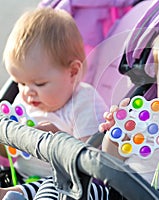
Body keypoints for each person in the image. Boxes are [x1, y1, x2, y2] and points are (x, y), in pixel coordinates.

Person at [21, 15, 159, 200]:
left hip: (156, 196)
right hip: (115, 191)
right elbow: (113, 160)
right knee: (61, 184)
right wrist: (117, 136)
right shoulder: (151, 113)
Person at [0, 7, 107, 199]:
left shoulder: (84, 102)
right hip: (21, 177)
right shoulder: (25, 100)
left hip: (68, 185)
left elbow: (90, 160)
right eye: (21, 83)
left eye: (39, 83)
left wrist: (58, 139)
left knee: (52, 186)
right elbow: (10, 154)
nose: (26, 92)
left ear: (72, 72)